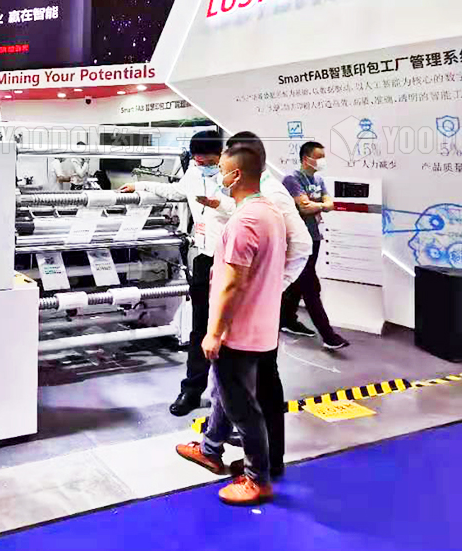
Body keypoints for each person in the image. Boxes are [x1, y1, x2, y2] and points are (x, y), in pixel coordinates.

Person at [175, 140, 287, 506]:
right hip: (260, 324)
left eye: (221, 170)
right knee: (224, 391)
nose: (217, 176)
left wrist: (214, 332)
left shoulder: (244, 222)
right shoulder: (269, 212)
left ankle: (257, 479)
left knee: (242, 406)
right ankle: (210, 449)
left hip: (238, 330)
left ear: (235, 175)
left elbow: (233, 284)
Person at [119, 130, 227, 416]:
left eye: (209, 161)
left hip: (233, 261)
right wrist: (141, 185)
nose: (204, 165)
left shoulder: (233, 177)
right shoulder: (193, 173)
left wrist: (221, 205)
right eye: (199, 160)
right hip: (204, 259)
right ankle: (191, 391)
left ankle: (232, 397)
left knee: (233, 331)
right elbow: (177, 192)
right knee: (200, 328)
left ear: (221, 156)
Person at [281, 141, 349, 350]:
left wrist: (316, 205)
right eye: (318, 157)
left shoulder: (318, 179)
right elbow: (305, 208)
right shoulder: (292, 179)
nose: (322, 161)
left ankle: (286, 319)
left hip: (314, 237)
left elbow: (330, 204)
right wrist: (321, 206)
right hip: (297, 240)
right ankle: (328, 336)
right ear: (306, 158)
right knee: (311, 286)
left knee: (298, 281)